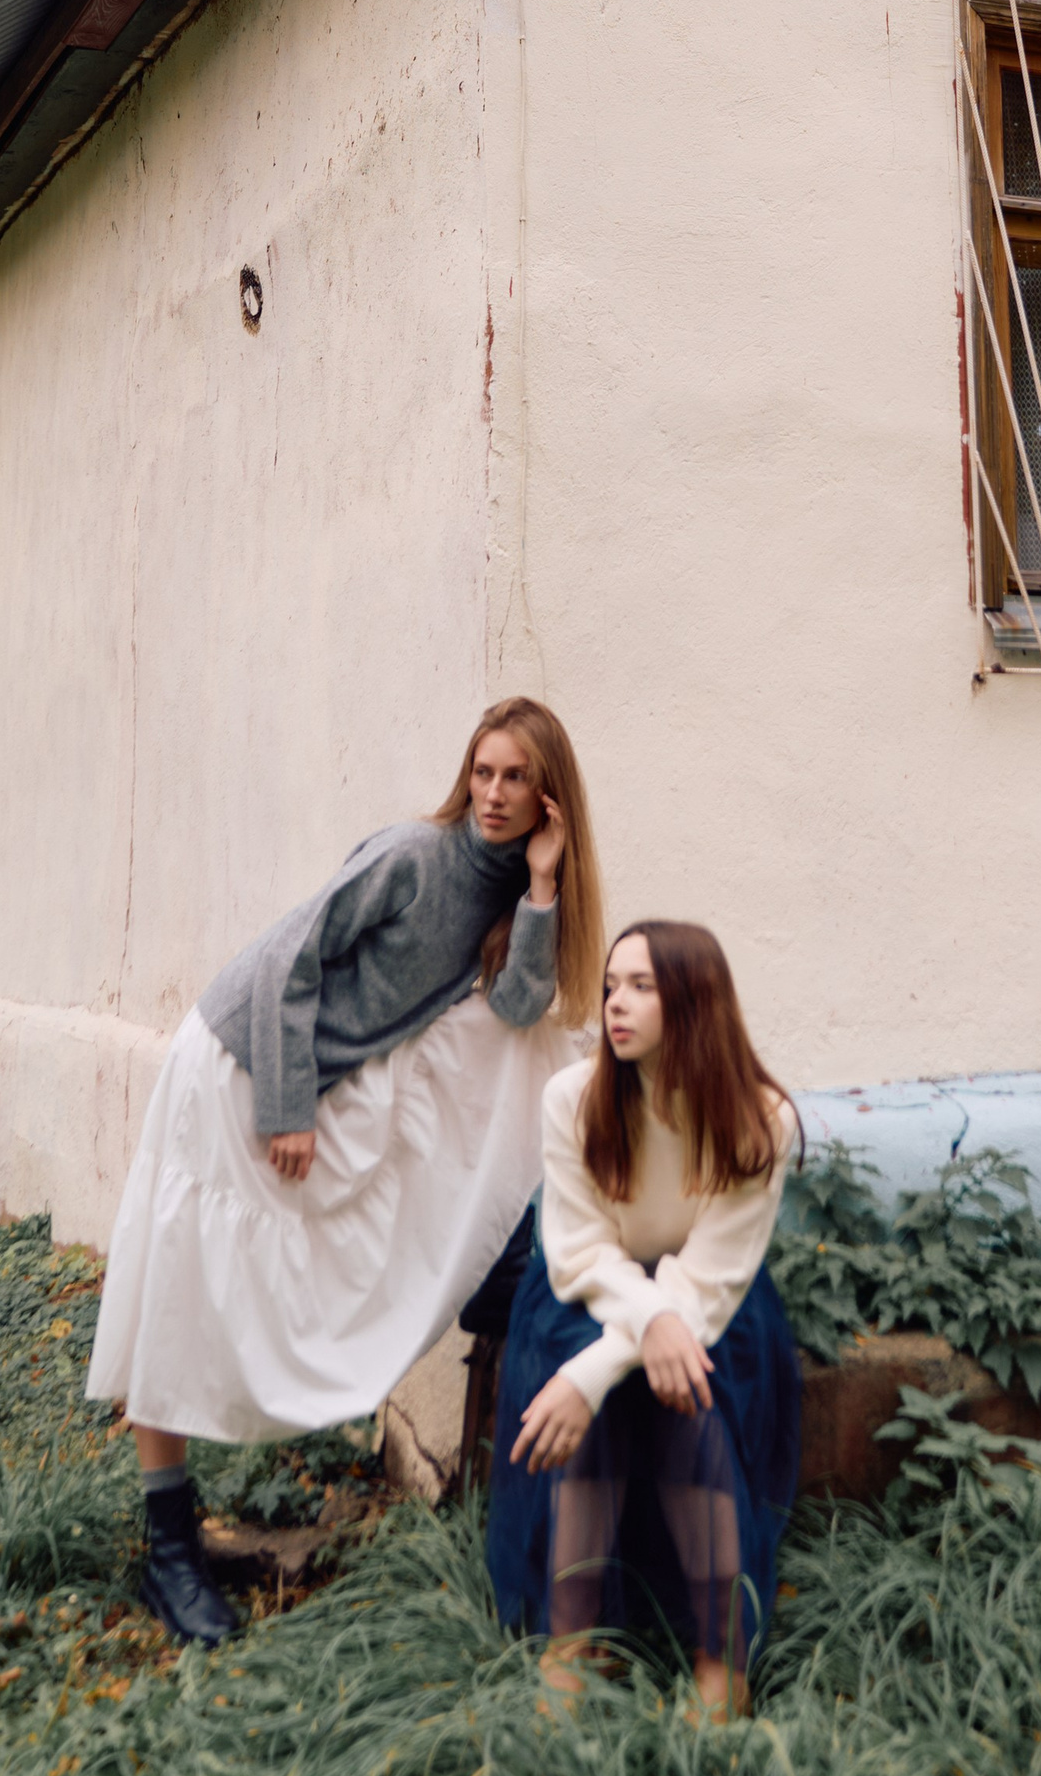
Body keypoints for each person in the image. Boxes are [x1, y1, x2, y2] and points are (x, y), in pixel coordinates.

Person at [87, 699, 602, 1642]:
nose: (493, 794)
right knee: (185, 1283)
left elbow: (522, 1009)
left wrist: (541, 885)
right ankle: (167, 1549)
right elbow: (290, 959)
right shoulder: (415, 855)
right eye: (482, 771)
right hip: (239, 1061)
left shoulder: (511, 890)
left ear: (549, 798)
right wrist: (287, 1106)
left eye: (516, 777)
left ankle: (181, 1536)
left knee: (224, 1279)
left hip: (308, 1072)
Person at [485, 919, 801, 1723]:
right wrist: (642, 1325)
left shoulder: (760, 1118)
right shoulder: (575, 1097)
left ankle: (721, 1657)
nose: (614, 1004)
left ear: (693, 1001)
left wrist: (598, 1371)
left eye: (640, 986)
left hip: (712, 1298)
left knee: (688, 1385)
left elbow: (714, 1274)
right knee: (613, 1377)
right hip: (584, 1291)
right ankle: (573, 1639)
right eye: (610, 986)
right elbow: (579, 1251)